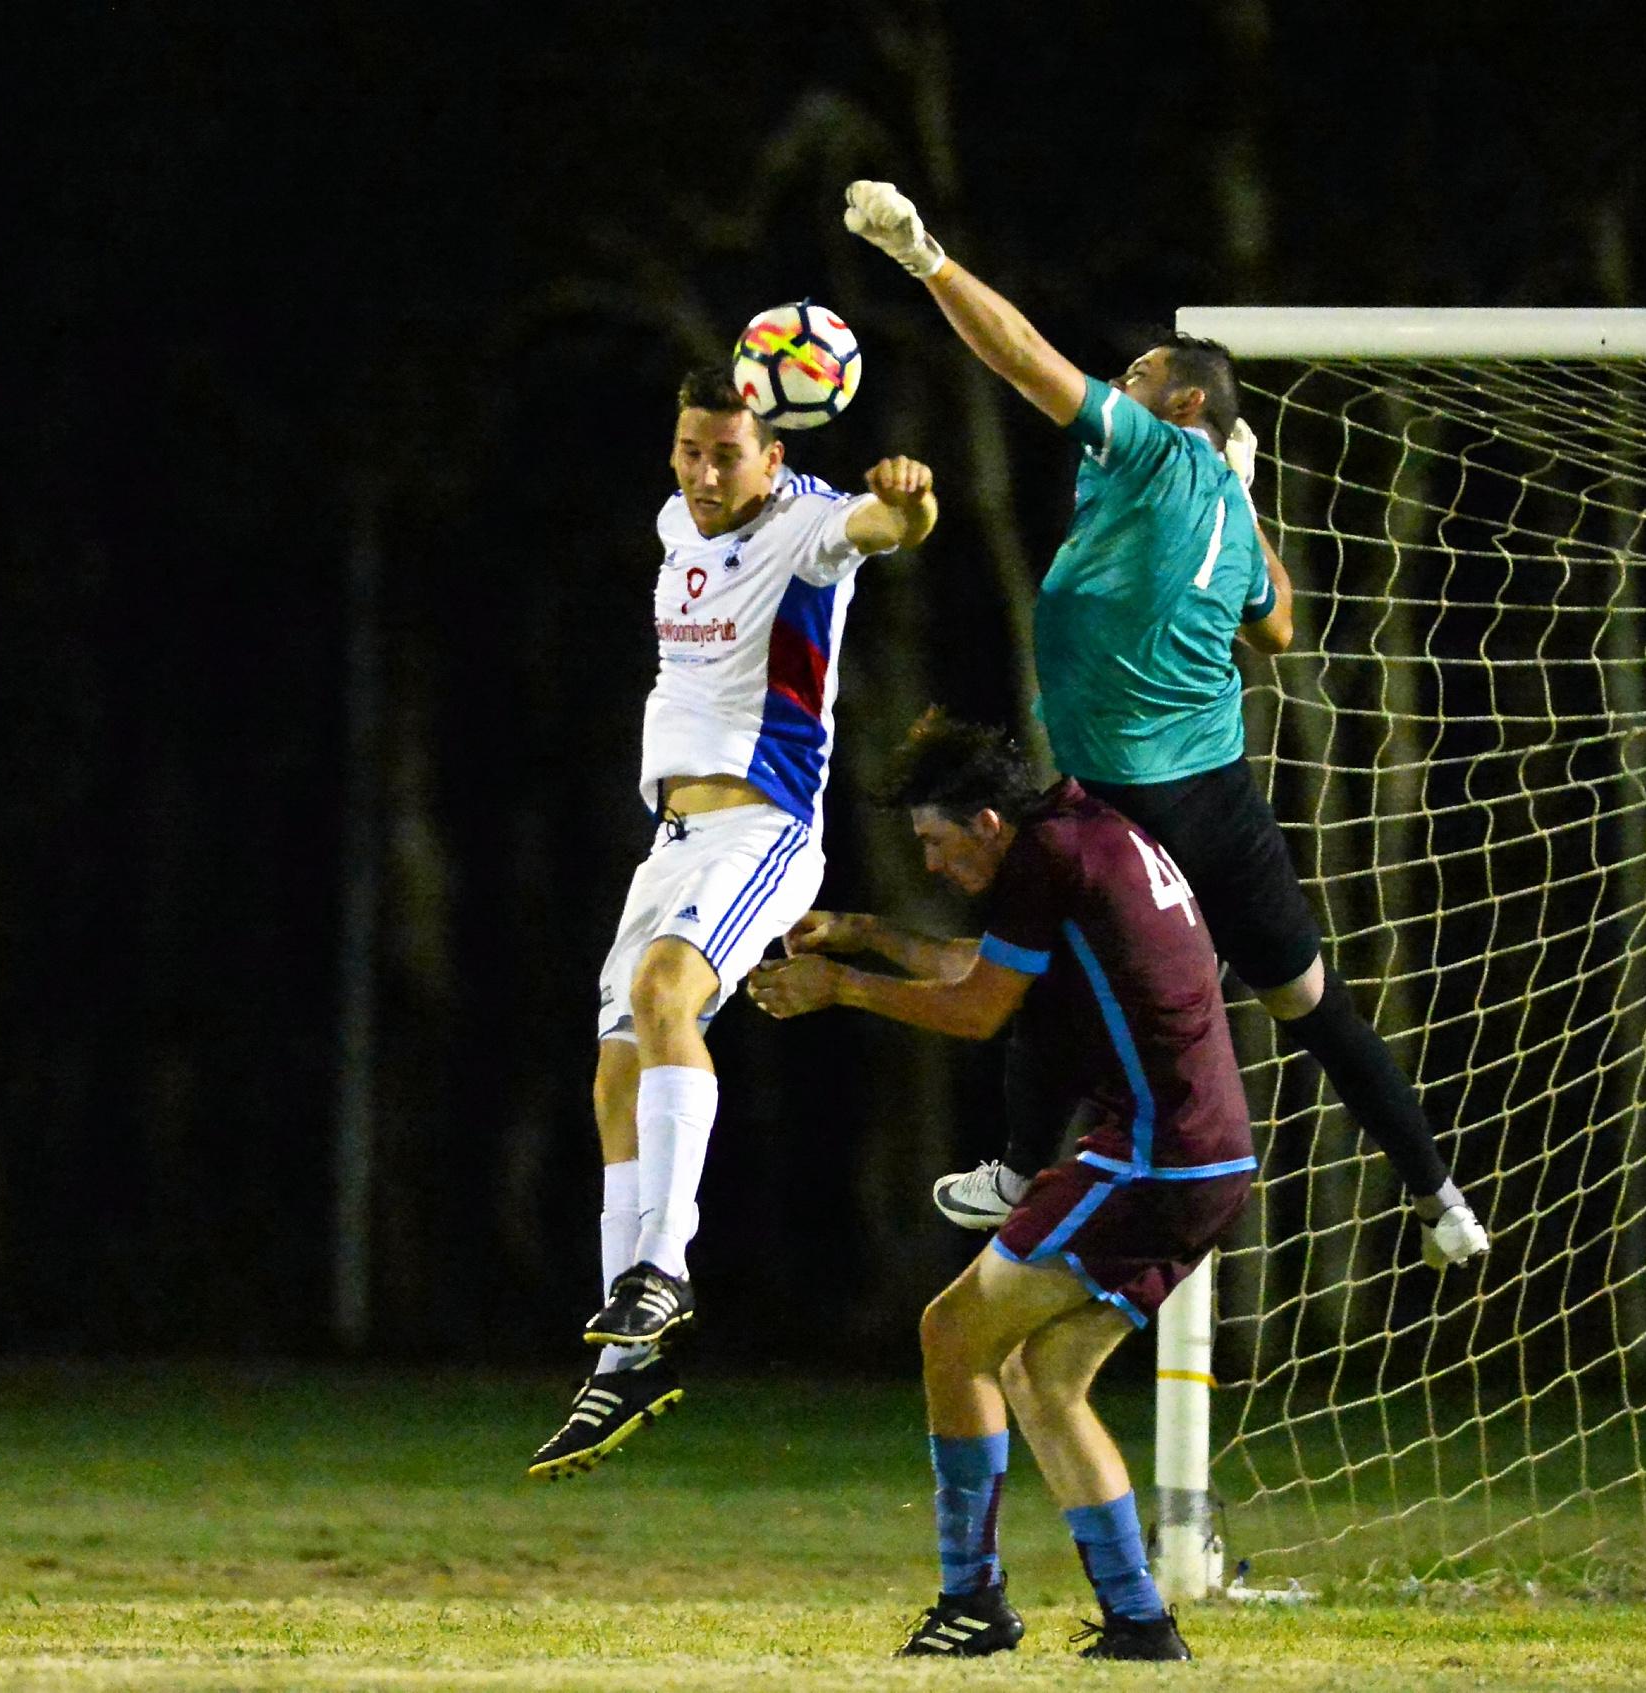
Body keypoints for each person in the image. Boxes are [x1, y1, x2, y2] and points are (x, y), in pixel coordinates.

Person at [840, 179, 1488, 1271]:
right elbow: (1278, 627)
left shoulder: (1153, 451)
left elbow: (1024, 362)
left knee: (1041, 948)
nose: (1119, 395)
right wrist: (1247, 499)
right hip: (1224, 799)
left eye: (1139, 381)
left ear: (1184, 408)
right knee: (1311, 1003)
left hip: (1130, 803)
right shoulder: (1217, 507)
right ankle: (1437, 1192)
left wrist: (925, 259)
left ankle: (1011, 1163)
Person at [747, 710, 1255, 1661]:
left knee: (952, 1330)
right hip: (1209, 1159)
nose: (935, 866)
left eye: (938, 844)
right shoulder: (1092, 835)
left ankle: (971, 1599)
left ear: (987, 823)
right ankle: (1141, 1622)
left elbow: (978, 1008)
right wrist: (861, 934)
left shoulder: (1045, 861)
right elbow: (986, 972)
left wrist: (840, 988)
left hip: (1153, 1155)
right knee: (1042, 1374)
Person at [526, 369, 938, 1478]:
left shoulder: (809, 526)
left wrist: (906, 496)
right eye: (688, 449)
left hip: (762, 832)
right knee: (615, 1072)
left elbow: (891, 521)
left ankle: (665, 1267)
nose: (704, 474)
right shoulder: (678, 519)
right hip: (668, 842)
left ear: (774, 456)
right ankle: (626, 1367)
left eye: (726, 455)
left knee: (666, 995)